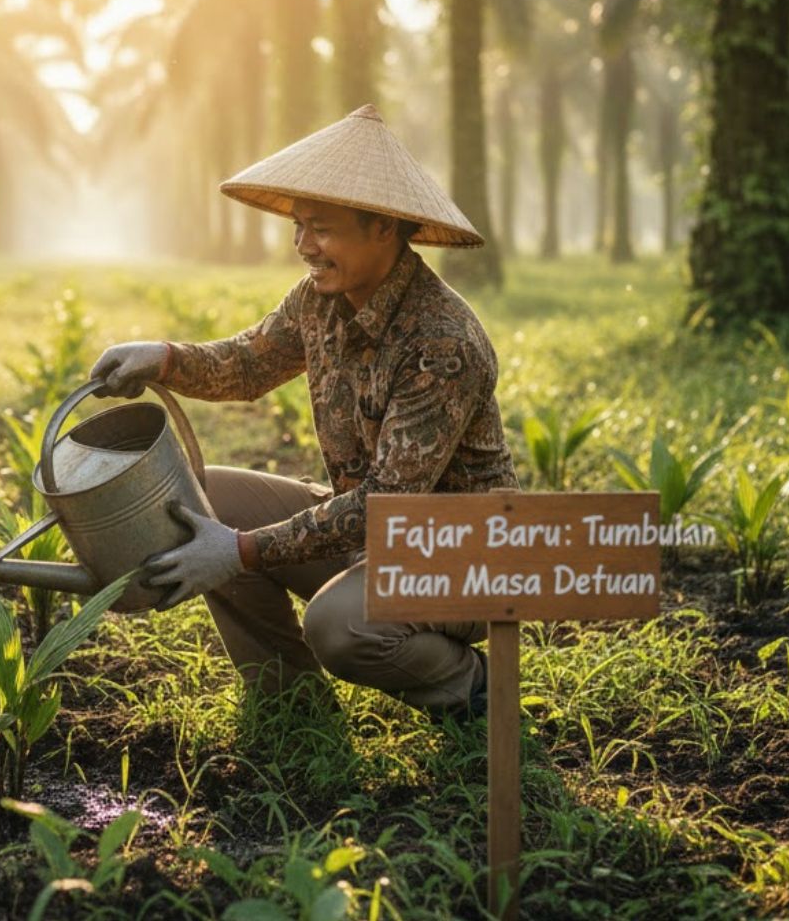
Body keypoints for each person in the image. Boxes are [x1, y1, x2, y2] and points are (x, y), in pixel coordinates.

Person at [88, 104, 519, 720]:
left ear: (385, 228)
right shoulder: (320, 300)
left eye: (322, 228)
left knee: (339, 626)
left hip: (459, 556)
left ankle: (471, 687)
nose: (302, 246)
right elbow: (245, 364)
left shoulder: (440, 343)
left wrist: (238, 552)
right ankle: (292, 707)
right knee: (202, 500)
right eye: (298, 226)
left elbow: (386, 504)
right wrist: (160, 358)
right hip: (370, 538)